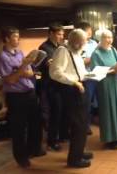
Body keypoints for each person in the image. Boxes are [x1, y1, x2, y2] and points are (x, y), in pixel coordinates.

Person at [0, 26, 45, 168]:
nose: (18, 39)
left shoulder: (20, 53)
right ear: (6, 39)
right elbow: (10, 80)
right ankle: (21, 157)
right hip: (16, 97)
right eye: (15, 37)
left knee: (35, 123)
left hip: (29, 93)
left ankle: (33, 150)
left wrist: (22, 69)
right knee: (19, 128)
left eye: (18, 36)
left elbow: (29, 73)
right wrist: (22, 67)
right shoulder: (2, 58)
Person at [49, 29, 92, 168]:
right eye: (82, 43)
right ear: (74, 41)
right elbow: (55, 73)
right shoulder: (62, 51)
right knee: (78, 124)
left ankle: (79, 151)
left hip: (81, 87)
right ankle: (74, 159)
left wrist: (90, 75)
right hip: (71, 90)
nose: (83, 45)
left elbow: (78, 70)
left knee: (83, 123)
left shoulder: (76, 50)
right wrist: (73, 82)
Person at [91, 29, 117, 150]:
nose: (109, 40)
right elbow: (95, 71)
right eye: (106, 38)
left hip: (116, 82)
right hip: (105, 84)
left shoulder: (114, 50)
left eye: (111, 37)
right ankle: (110, 139)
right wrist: (112, 70)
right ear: (100, 39)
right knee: (109, 110)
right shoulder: (96, 53)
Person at [38, 23, 65, 151]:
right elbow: (49, 65)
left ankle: (61, 135)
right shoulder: (44, 47)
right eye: (58, 34)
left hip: (60, 84)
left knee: (61, 112)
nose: (61, 36)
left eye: (62, 34)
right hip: (50, 85)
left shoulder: (60, 46)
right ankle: (51, 141)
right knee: (54, 112)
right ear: (51, 34)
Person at [75, 21, 98, 134]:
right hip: (86, 77)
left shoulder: (94, 43)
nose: (90, 33)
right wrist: (90, 60)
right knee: (87, 103)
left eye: (90, 31)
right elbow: (79, 61)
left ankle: (95, 120)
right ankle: (86, 125)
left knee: (96, 102)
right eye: (87, 32)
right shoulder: (79, 44)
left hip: (97, 75)